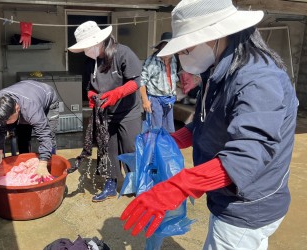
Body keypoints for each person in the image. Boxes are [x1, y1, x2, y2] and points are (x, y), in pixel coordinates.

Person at [121, 0, 299, 249]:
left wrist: (178, 186)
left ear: (217, 35)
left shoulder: (258, 80)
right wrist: (171, 140)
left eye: (186, 48)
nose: (182, 55)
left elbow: (245, 158)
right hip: (228, 197)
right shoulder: (219, 71)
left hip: (246, 206)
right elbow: (205, 123)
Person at [68, 21, 142, 202]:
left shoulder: (123, 53)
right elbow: (89, 88)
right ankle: (111, 182)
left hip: (128, 111)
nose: (86, 50)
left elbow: (135, 82)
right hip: (105, 113)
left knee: (130, 147)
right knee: (107, 148)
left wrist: (118, 93)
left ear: (99, 41)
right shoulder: (89, 62)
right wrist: (92, 96)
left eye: (87, 46)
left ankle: (137, 183)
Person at [0, 80, 59, 181]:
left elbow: (44, 135)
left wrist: (42, 163)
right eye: (3, 121)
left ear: (17, 108)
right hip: (24, 94)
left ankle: (49, 166)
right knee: (22, 135)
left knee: (50, 134)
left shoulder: (31, 108)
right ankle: (26, 164)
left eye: (9, 120)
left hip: (47, 96)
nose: (7, 124)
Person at [140, 32, 179, 133]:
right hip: (155, 99)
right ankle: (154, 148)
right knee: (156, 129)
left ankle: (164, 148)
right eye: (165, 47)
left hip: (169, 99)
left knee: (169, 130)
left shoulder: (174, 58)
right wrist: (145, 101)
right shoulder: (152, 61)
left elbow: (174, 77)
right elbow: (141, 82)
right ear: (161, 47)